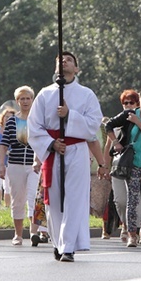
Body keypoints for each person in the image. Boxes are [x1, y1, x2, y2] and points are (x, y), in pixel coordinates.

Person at [28, 52, 105, 262]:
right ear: (55, 69)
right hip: (53, 150)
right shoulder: (44, 95)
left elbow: (93, 125)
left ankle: (68, 246)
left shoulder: (86, 94)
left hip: (77, 151)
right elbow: (34, 126)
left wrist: (71, 115)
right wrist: (51, 143)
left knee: (74, 198)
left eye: (69, 60)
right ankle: (58, 241)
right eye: (59, 60)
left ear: (77, 69)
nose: (64, 62)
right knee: (53, 200)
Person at [104, 84, 141, 247]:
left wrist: (138, 122)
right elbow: (108, 125)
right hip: (132, 164)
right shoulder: (129, 114)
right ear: (140, 97)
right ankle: (132, 234)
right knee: (133, 199)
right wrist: (115, 142)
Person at [0, 86, 41, 246]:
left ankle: (34, 232)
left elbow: (44, 142)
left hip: (34, 166)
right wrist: (1, 165)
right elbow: (3, 146)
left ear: (32, 100)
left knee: (33, 197)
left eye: (28, 98)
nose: (25, 101)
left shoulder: (38, 120)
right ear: (17, 101)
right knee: (18, 200)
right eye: (21, 99)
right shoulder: (12, 121)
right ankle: (18, 234)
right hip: (15, 165)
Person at [103, 89, 139, 243]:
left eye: (132, 102)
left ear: (137, 104)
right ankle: (125, 223)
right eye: (125, 103)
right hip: (118, 166)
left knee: (136, 200)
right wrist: (104, 165)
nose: (128, 105)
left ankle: (134, 229)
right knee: (120, 200)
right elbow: (107, 146)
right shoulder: (118, 121)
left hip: (136, 165)